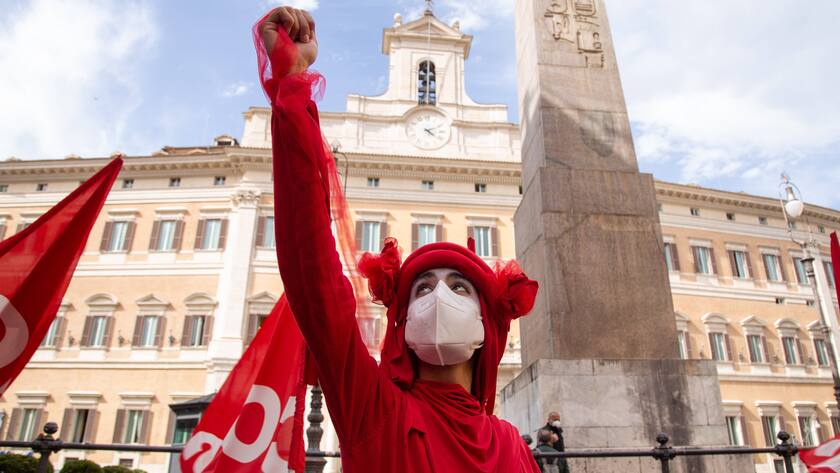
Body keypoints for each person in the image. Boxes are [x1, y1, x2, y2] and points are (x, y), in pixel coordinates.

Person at [258, 6, 541, 472]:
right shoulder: (373, 409)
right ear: (403, 323)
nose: (440, 296)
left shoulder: (512, 443)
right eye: (423, 288)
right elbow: (313, 273)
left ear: (486, 324)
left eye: (460, 286)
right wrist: (292, 85)